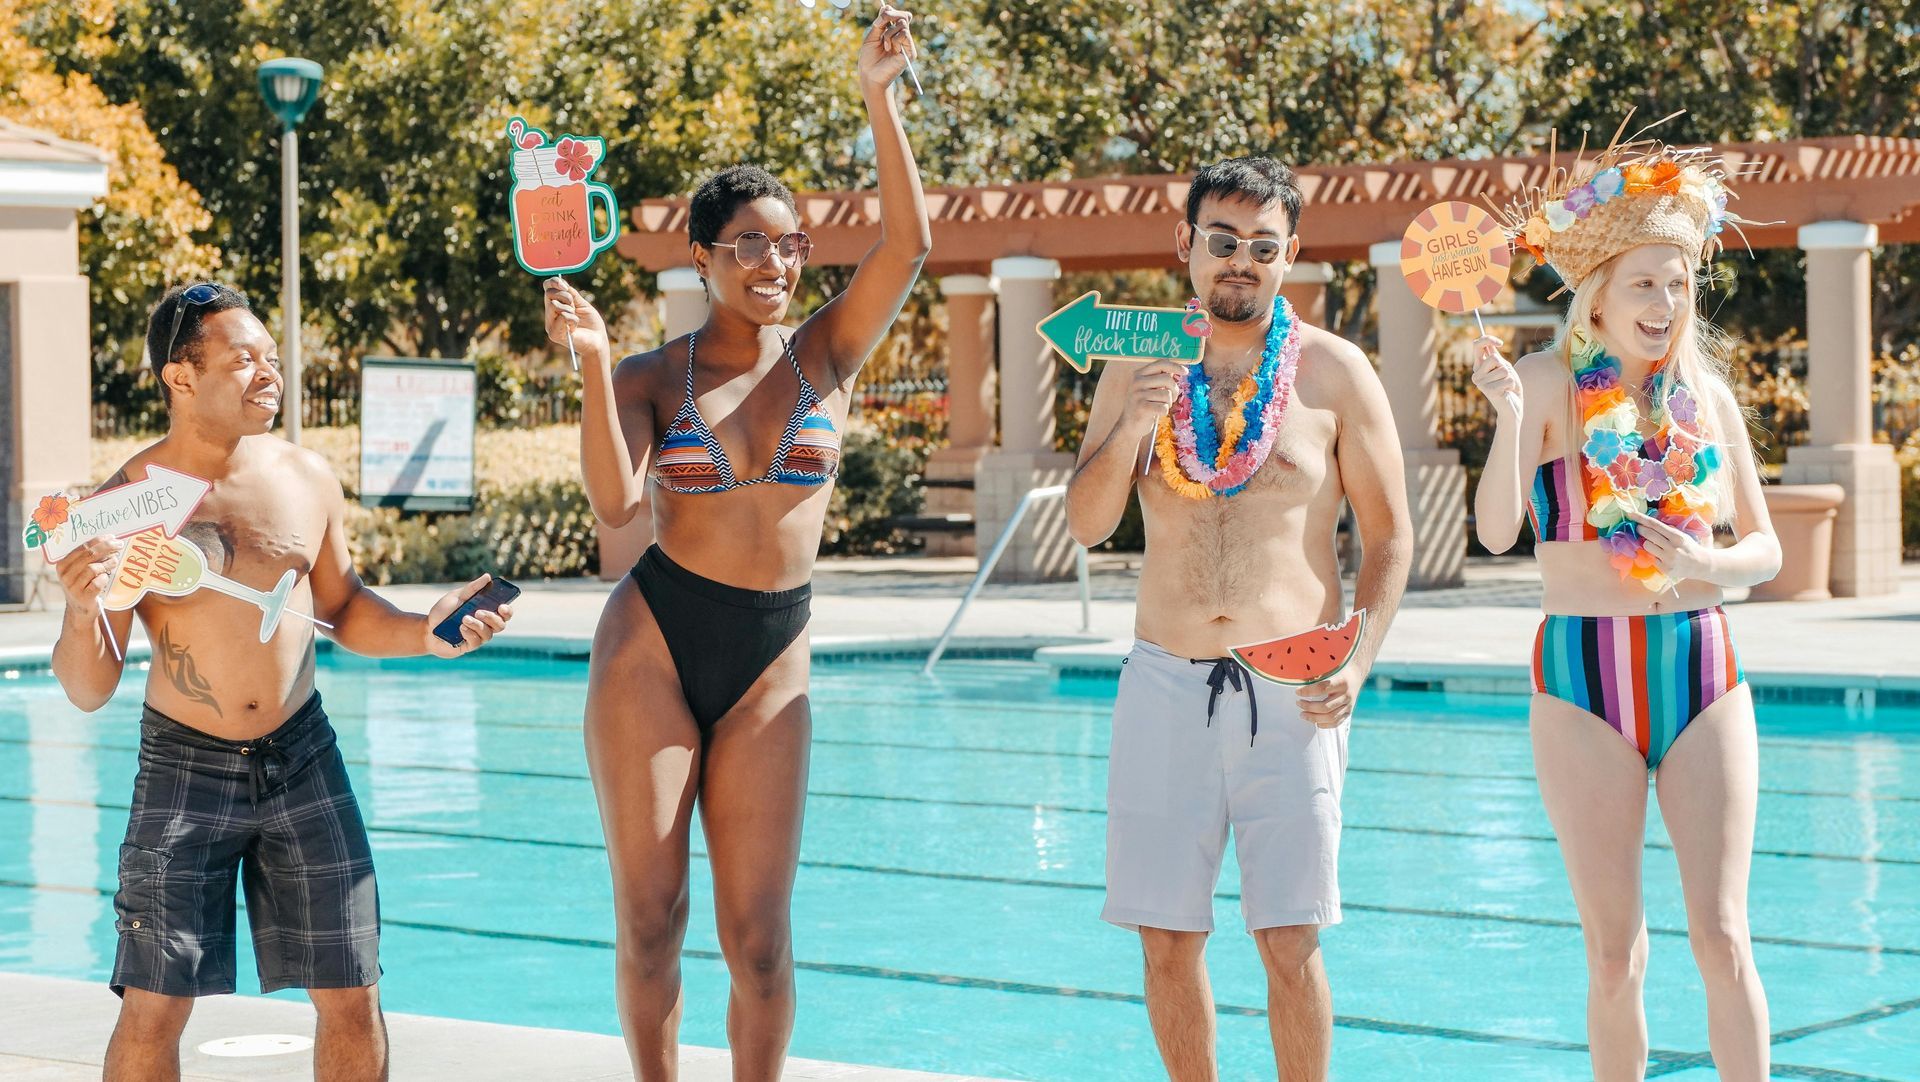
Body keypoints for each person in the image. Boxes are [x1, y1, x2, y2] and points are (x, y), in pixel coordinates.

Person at [540, 7, 929, 1079]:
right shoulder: (652, 378)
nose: (773, 260)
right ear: (705, 259)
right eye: (747, 242)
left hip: (772, 653)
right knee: (652, 920)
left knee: (759, 942)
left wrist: (878, 97)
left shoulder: (824, 356)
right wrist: (589, 359)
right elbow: (619, 506)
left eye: (788, 240)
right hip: (655, 643)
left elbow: (908, 246)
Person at [48, 282, 513, 1082]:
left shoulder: (305, 476)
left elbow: (342, 607)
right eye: (242, 360)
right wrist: (79, 605)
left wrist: (423, 634)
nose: (269, 374)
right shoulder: (123, 503)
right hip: (184, 765)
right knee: (154, 1004)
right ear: (180, 377)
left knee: (351, 990)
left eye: (272, 357)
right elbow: (89, 688)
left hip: (302, 754)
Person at [1065, 157, 1413, 1082]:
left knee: (1290, 941)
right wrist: (1133, 423)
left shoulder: (1335, 374)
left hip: (1292, 691)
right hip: (1162, 682)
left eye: (1264, 248)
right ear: (1185, 243)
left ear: (1289, 255)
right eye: (1222, 241)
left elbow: (1389, 538)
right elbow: (1089, 523)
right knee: (1166, 941)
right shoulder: (1138, 368)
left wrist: (1359, 660)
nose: (1240, 263)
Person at [1473, 134, 1780, 1080]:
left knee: (1723, 934)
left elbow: (1762, 551)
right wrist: (1509, 425)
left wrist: (1707, 560)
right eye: (1645, 283)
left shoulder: (1707, 398)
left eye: (1679, 284)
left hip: (1700, 664)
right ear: (1597, 292)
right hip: (1580, 678)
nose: (1666, 303)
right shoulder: (1542, 385)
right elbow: (1491, 534)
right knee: (1616, 954)